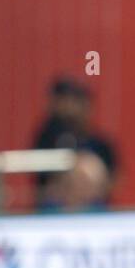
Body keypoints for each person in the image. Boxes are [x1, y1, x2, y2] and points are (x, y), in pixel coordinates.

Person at [30, 76, 118, 207]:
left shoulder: (100, 143)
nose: (68, 107)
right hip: (55, 208)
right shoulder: (47, 137)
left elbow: (115, 179)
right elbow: (40, 181)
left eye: (74, 101)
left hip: (93, 208)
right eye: (62, 100)